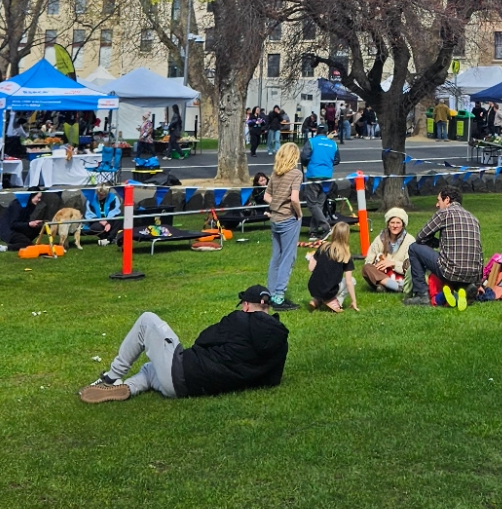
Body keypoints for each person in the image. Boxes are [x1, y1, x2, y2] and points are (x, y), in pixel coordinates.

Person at [78, 285, 289, 402]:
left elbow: (202, 339)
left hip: (185, 373)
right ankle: (129, 388)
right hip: (188, 389)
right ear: (267, 307)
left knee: (147, 320)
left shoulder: (239, 319)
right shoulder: (281, 340)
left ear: (246, 306)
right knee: (151, 369)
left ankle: (111, 377)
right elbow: (272, 380)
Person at [406, 183, 484, 307]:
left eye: (438, 200)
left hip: (450, 271)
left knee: (414, 248)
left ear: (447, 199)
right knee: (456, 263)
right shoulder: (474, 218)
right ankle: (465, 287)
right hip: (472, 275)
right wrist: (478, 283)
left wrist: (434, 243)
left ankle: (422, 295)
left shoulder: (445, 213)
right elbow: (480, 253)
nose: (437, 205)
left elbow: (421, 236)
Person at [264, 140, 303, 309]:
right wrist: (299, 214)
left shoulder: (275, 174)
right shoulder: (296, 174)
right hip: (288, 219)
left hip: (275, 219)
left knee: (276, 257)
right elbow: (294, 199)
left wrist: (276, 204)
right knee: (288, 257)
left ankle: (271, 293)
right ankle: (279, 296)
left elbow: (266, 196)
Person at [307, 220, 359, 312]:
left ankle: (316, 300)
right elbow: (348, 282)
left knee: (324, 282)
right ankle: (335, 302)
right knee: (353, 280)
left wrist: (311, 259)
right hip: (329, 290)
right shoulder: (345, 255)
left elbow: (311, 268)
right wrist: (354, 301)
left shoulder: (323, 247)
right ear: (347, 236)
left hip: (313, 287)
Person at [363, 207, 415, 291]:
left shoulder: (409, 240)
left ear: (403, 225)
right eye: (392, 223)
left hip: (401, 274)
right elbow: (369, 259)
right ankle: (396, 287)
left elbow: (410, 266)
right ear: (388, 224)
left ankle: (388, 286)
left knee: (412, 272)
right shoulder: (380, 239)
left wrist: (393, 264)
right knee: (366, 268)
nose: (395, 226)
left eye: (398, 223)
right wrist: (377, 263)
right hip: (383, 274)